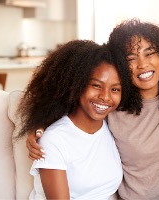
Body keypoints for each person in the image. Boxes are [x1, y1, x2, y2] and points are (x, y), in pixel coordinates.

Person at [25, 19, 159, 200]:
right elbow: (74, 110)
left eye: (149, 53)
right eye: (131, 58)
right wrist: (40, 127)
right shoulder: (115, 108)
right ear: (121, 65)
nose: (142, 64)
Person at [16, 40, 131, 199]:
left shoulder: (113, 127)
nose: (105, 96)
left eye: (115, 89)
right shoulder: (53, 140)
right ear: (76, 84)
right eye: (96, 85)